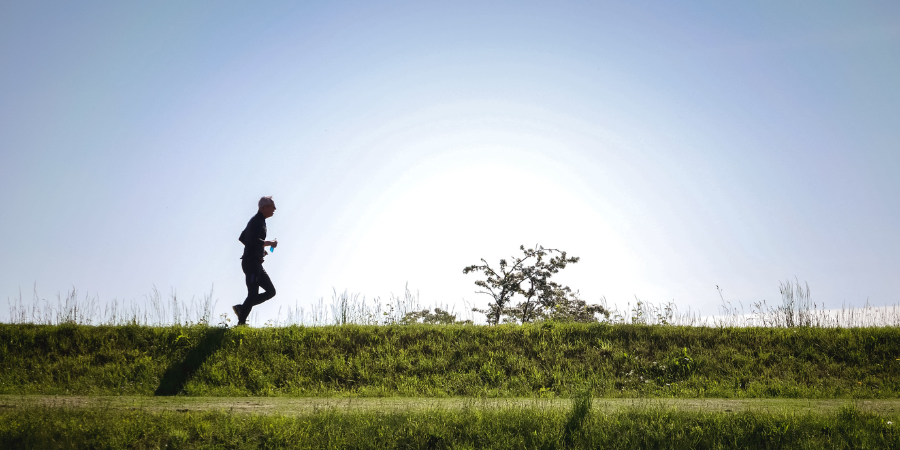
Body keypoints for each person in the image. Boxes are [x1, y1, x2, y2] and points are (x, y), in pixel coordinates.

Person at [233, 196, 278, 325]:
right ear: (264, 208)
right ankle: (241, 323)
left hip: (255, 262)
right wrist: (269, 243)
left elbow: (244, 238)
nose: (275, 209)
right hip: (250, 263)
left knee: (271, 291)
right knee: (253, 294)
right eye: (272, 206)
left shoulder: (260, 221)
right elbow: (249, 239)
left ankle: (242, 308)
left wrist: (259, 251)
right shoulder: (256, 221)